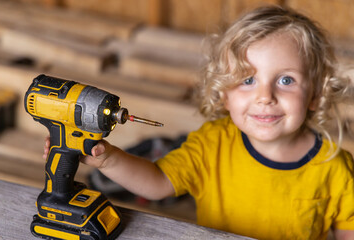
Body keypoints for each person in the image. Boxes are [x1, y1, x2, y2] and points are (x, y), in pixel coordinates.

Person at [43, 5, 354, 239]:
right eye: (247, 80)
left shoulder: (336, 168)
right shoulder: (213, 143)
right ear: (224, 94)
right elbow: (157, 183)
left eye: (286, 79)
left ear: (316, 93)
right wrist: (108, 159)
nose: (265, 96)